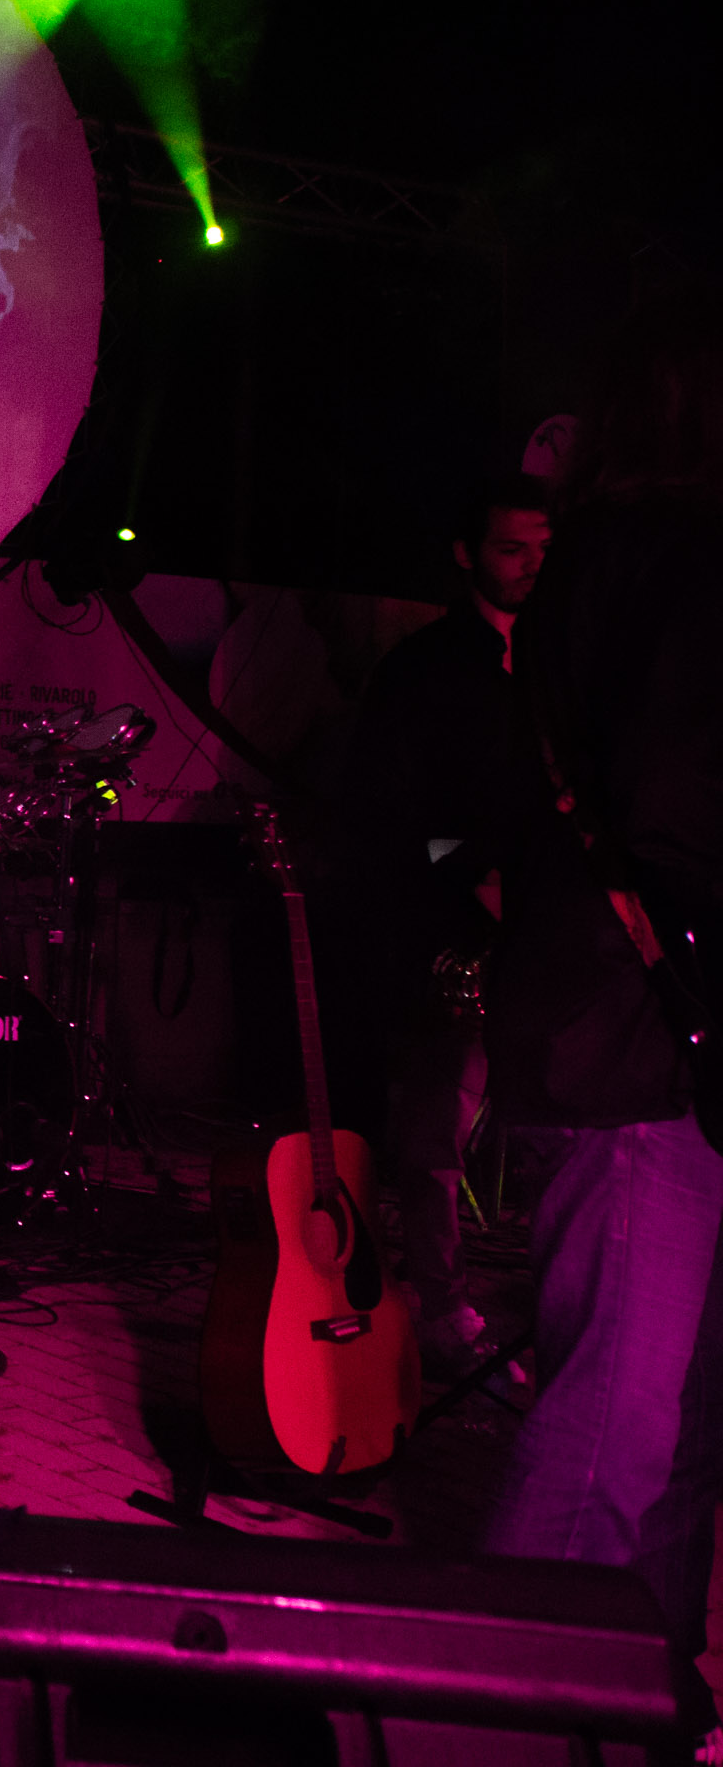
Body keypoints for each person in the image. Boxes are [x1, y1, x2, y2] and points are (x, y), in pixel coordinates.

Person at [479, 293, 723, 1749]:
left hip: (624, 1024)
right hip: (639, 1039)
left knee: (670, 1418)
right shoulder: (675, 562)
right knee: (615, 1433)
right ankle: (508, 1723)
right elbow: (678, 815)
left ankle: (632, 1710)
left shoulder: (603, 560)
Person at [340, 475, 552, 1374]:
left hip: (544, 925)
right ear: (467, 555)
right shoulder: (423, 668)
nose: (532, 567)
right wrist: (476, 875)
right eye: (512, 549)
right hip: (453, 926)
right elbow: (386, 815)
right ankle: (441, 1302)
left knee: (553, 1127)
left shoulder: (559, 661)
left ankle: (546, 1300)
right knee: (438, 1131)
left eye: (543, 551)